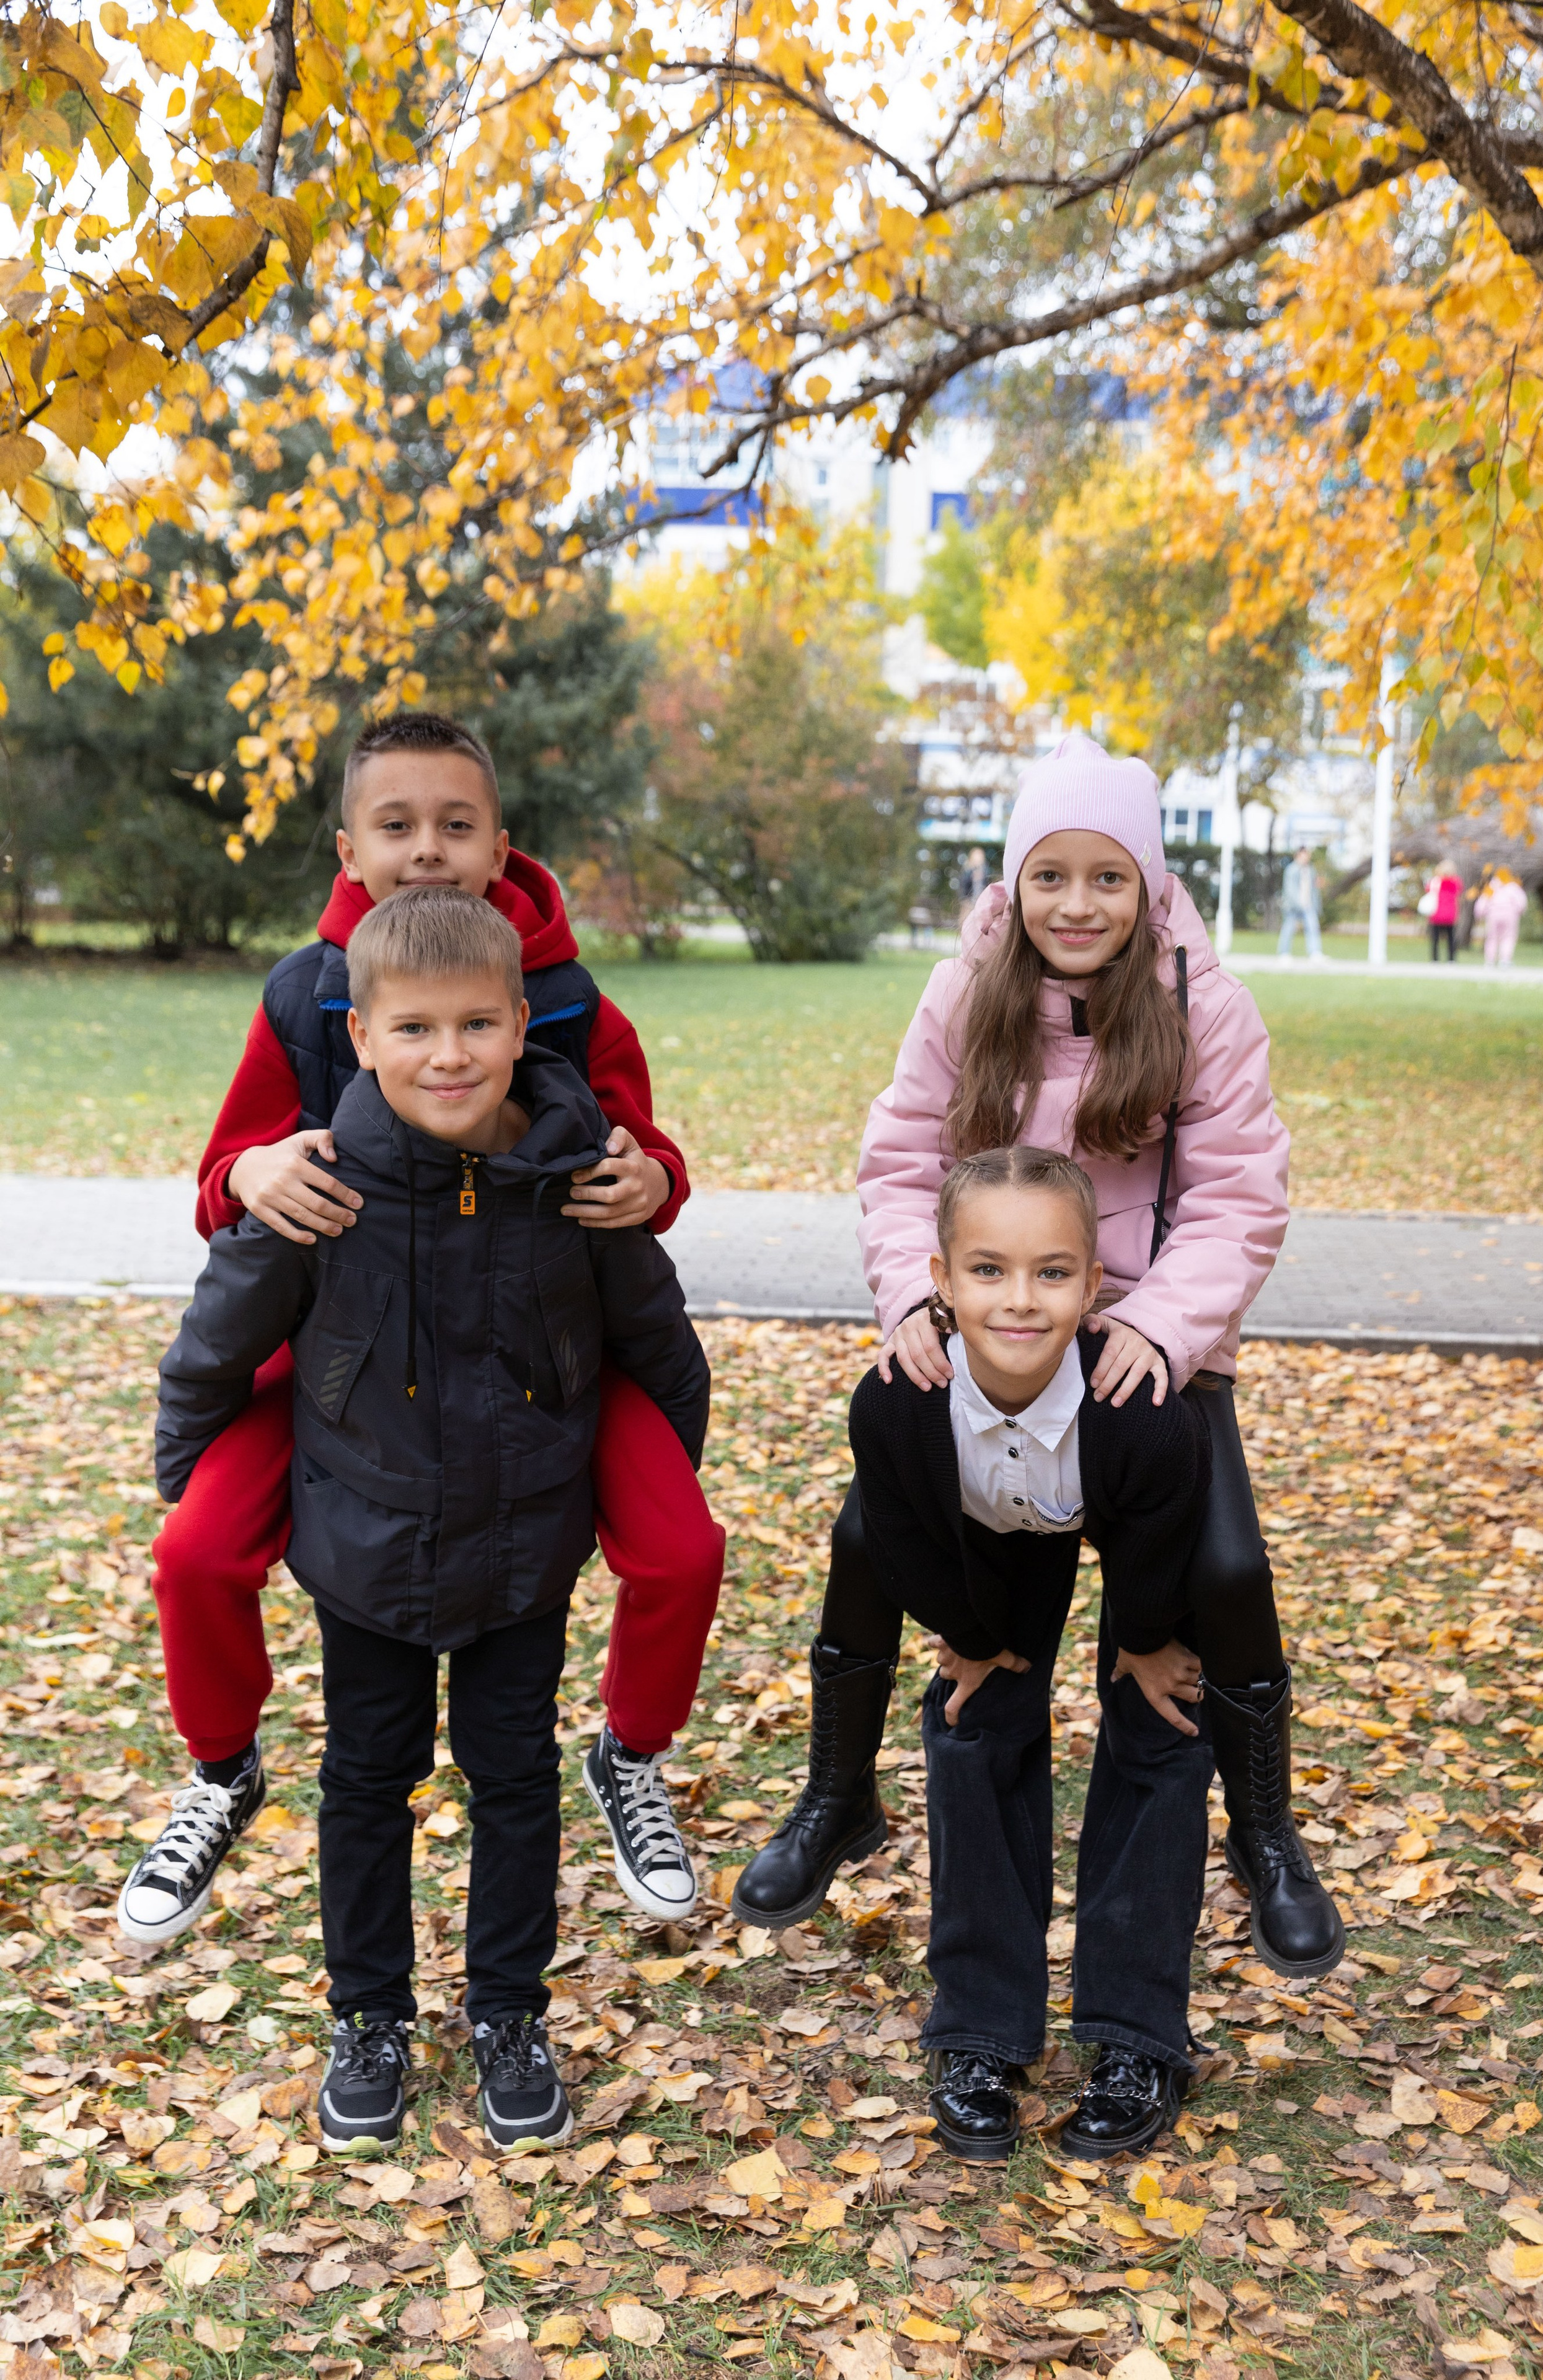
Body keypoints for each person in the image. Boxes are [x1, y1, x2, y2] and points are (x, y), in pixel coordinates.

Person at [735, 730, 1341, 2127]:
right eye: (1047, 876)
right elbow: (902, 1158)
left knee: (1184, 1643)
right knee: (968, 1669)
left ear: (1151, 885)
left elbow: (1238, 1197)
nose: (1075, 903)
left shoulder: (1202, 1004)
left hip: (1144, 1355)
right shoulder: (969, 988)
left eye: (1105, 877)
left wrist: (1157, 1329)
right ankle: (966, 2008)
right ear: (1011, 883)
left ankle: (1164, 1982)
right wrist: (916, 1299)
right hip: (990, 1329)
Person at [120, 712, 723, 1949]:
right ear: (351, 850)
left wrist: (654, 1176)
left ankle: (629, 1756)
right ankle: (222, 1771)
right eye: (396, 826)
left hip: (541, 1354)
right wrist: (249, 1174)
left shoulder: (563, 999)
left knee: (680, 1549)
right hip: (343, 1357)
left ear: (501, 846)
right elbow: (223, 1181)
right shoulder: (307, 996)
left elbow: (640, 1154)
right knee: (196, 1553)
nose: (428, 849)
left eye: (456, 825)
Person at [155, 888, 712, 2154]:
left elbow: (655, 1338)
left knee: (514, 1779)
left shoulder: (576, 1175)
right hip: (368, 1544)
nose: (448, 1055)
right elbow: (219, 1333)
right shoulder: (321, 1186)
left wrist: (650, 1474)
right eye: (413, 1029)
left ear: (521, 1024)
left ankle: (510, 2014)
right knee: (366, 1781)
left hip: (524, 1547)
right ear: (360, 1037)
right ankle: (369, 2018)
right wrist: (185, 1468)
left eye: (475, 1024)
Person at [741, 1148, 1236, 2162]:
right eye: (988, 1271)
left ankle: (1137, 2034)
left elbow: (1159, 1539)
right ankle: (980, 2029)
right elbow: (902, 1540)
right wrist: (972, 1640)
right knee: (973, 1726)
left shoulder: (1143, 1413)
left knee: (1163, 1726)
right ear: (940, 1279)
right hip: (981, 1544)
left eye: (1052, 1273)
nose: (1019, 1299)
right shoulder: (897, 1401)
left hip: (1133, 1537)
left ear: (1094, 1286)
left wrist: (1145, 1641)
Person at [1276, 845, 1324, 962]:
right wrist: (1299, 903)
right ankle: (1284, 953)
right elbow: (1290, 889)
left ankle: (1315, 952)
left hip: (1308, 904)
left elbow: (1313, 890)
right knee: (1289, 928)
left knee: (1313, 928)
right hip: (1293, 906)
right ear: (1298, 856)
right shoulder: (1291, 870)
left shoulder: (1310, 870)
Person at [1475, 868, 1527, 967]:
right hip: (1510, 915)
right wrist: (1519, 911)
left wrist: (1480, 913)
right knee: (1508, 937)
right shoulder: (1513, 887)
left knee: (1492, 938)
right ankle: (1505, 960)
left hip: (1493, 915)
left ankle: (1490, 960)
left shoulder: (1492, 887)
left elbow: (1483, 901)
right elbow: (1521, 902)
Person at [1424, 857, 1462, 961]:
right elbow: (1458, 894)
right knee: (1451, 938)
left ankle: (1435, 959)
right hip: (1450, 915)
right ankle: (1451, 959)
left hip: (1436, 914)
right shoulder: (1456, 883)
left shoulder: (1435, 882)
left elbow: (1428, 890)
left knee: (1435, 939)